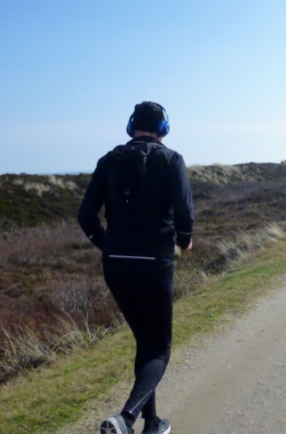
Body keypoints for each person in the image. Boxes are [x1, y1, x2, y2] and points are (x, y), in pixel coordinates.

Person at [78, 101, 194, 434]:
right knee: (159, 349)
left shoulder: (108, 160)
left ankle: (152, 423)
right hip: (154, 262)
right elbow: (184, 212)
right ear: (164, 128)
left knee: (145, 342)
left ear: (132, 126)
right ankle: (125, 419)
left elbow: (85, 215)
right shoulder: (171, 159)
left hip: (116, 264)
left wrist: (108, 247)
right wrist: (185, 239)